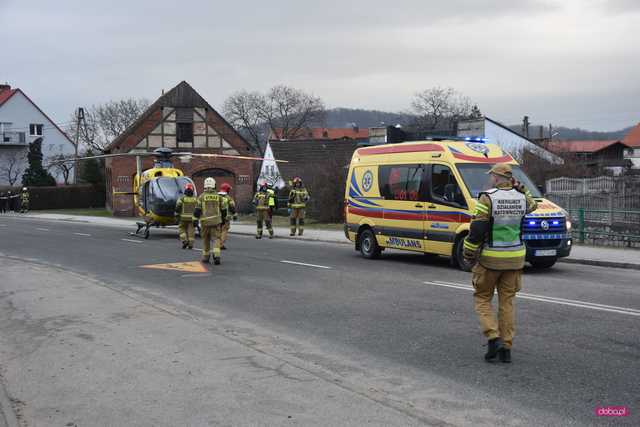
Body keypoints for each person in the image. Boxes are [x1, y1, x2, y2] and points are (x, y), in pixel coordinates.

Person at [463, 163, 537, 363]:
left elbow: (477, 230)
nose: (490, 179)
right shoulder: (522, 198)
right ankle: (507, 347)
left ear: (496, 178)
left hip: (491, 259)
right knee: (507, 302)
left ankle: (493, 337)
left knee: (482, 298)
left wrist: (468, 253)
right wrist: (523, 189)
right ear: (510, 179)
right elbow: (533, 206)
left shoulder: (487, 198)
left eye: (492, 176)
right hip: (515, 258)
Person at [194, 177, 227, 265]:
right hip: (216, 221)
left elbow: (197, 210)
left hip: (205, 222)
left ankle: (206, 257)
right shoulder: (218, 197)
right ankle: (216, 255)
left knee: (206, 239)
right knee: (216, 239)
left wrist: (195, 220)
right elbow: (224, 209)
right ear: (214, 186)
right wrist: (223, 219)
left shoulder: (201, 197)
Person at [175, 183, 197, 249]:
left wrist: (177, 214)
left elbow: (178, 207)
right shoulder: (195, 199)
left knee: (181, 229)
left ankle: (184, 241)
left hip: (183, 218)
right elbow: (198, 208)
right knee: (191, 231)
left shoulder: (182, 199)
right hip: (192, 218)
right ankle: (190, 244)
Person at [218, 183, 237, 250]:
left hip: (217, 217)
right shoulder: (228, 198)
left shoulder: (216, 196)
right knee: (224, 231)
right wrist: (234, 214)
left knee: (218, 230)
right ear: (227, 190)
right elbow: (232, 207)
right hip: (226, 218)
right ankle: (221, 244)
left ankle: (217, 243)